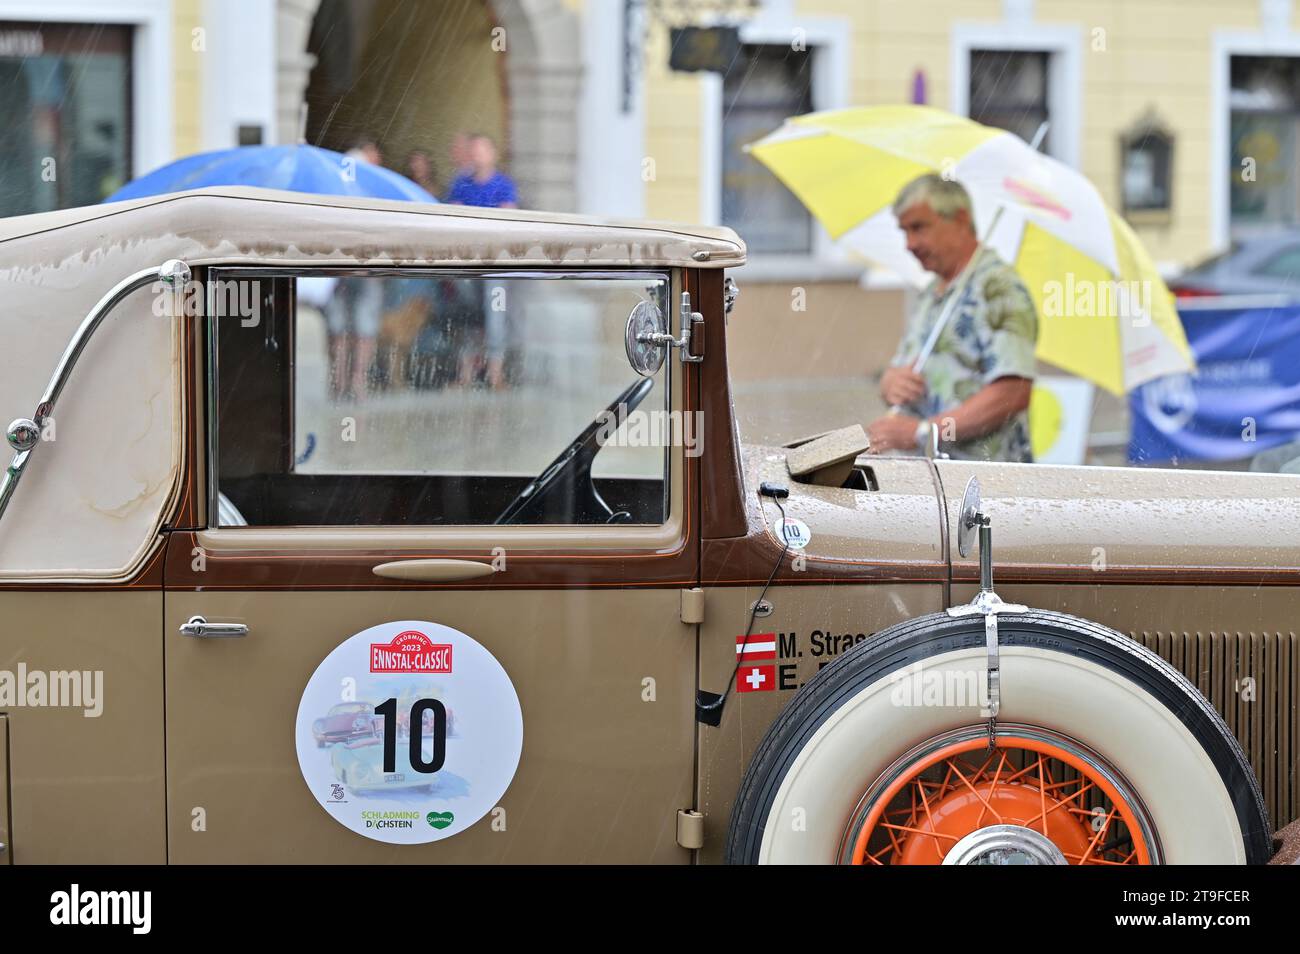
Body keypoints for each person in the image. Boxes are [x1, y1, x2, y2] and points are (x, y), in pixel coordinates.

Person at [867, 174, 1038, 462]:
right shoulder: (933, 292)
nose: (909, 243)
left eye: (919, 227)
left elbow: (1013, 392)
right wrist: (890, 382)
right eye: (904, 231)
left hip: (983, 488)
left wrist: (923, 433)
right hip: (934, 485)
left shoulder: (999, 287)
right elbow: (903, 373)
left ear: (960, 220)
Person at [444, 134, 520, 388]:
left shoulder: (503, 185)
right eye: (474, 150)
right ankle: (464, 376)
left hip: (494, 263)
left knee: (494, 315)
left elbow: (508, 220)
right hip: (467, 264)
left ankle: (496, 374)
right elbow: (452, 218)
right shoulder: (461, 184)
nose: (477, 155)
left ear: (492, 154)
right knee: (469, 317)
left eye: (482, 150)